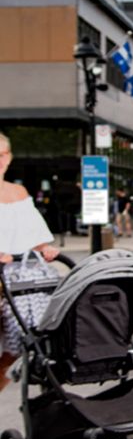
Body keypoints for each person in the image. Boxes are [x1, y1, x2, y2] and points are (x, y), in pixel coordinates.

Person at [0, 131, 59, 393]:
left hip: (17, 279)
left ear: (10, 157)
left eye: (3, 154)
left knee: (17, 347)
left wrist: (44, 248)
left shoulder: (19, 192)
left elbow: (33, 234)